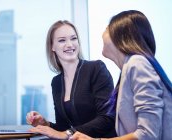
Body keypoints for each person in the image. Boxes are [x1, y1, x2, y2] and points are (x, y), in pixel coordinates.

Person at [70, 10, 172, 140]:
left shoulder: (137, 63)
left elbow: (148, 134)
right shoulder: (129, 67)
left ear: (121, 35)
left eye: (107, 28)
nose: (102, 33)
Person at [26, 20, 117, 139]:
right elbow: (62, 128)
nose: (69, 44)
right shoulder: (56, 82)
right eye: (62, 40)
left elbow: (107, 117)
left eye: (73, 38)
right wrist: (44, 123)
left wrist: (68, 133)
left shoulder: (96, 69)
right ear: (52, 46)